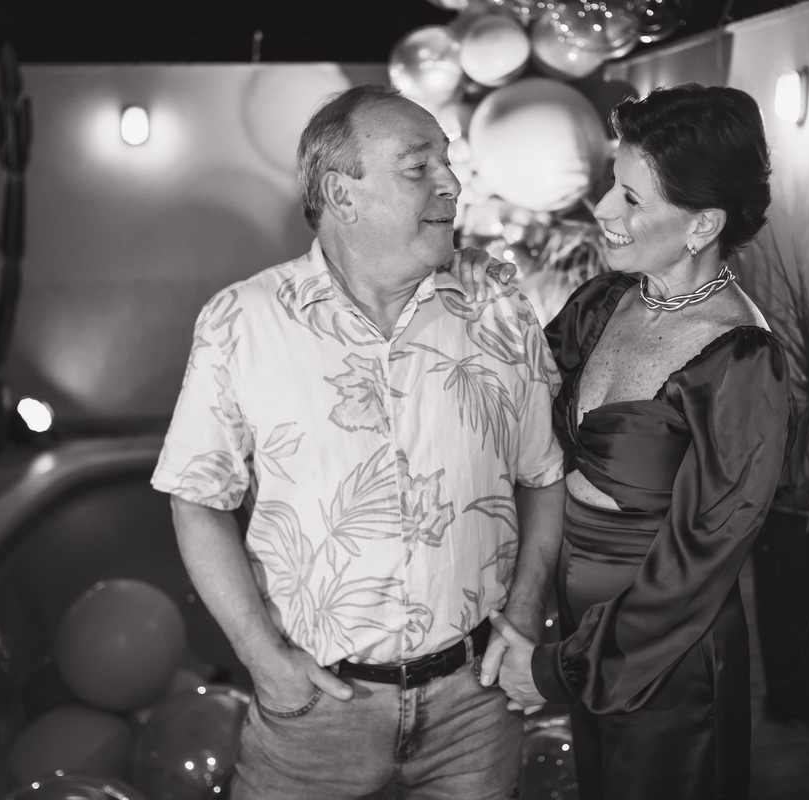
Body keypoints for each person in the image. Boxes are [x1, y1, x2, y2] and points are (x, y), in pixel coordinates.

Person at [151, 84, 566, 800]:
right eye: (418, 167)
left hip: (477, 704)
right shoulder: (242, 322)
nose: (451, 183)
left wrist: (525, 610)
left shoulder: (498, 307)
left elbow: (543, 476)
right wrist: (263, 659)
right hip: (315, 713)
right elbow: (196, 499)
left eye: (448, 162)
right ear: (342, 195)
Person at [474, 84, 791, 799]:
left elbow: (701, 559)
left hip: (664, 651)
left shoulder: (742, 360)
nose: (601, 210)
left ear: (702, 224)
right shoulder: (603, 302)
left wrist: (561, 667)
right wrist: (480, 303)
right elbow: (515, 407)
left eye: (630, 198)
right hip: (578, 627)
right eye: (609, 186)